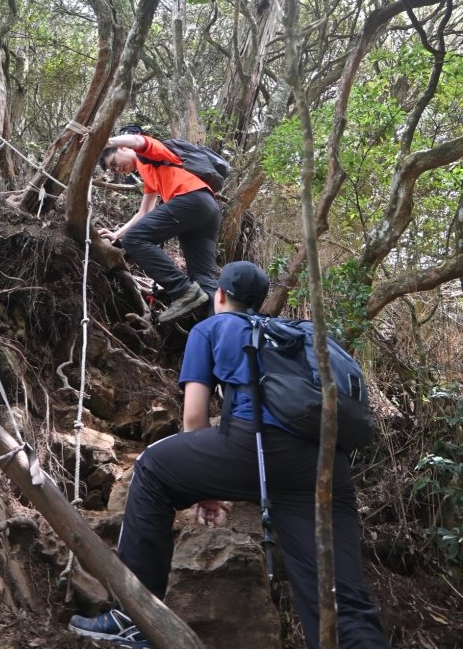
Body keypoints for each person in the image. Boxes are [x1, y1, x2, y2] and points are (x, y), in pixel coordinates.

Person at [68, 261, 391, 649]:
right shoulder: (294, 333)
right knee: (341, 599)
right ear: (260, 301)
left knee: (153, 468)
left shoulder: (211, 328)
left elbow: (193, 416)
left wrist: (206, 488)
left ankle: (133, 618)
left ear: (219, 295)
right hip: (326, 463)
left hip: (254, 446)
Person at [98, 131, 221, 322]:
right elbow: (144, 212)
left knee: (134, 239)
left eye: (114, 163)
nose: (117, 170)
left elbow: (138, 140)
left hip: (192, 199)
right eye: (112, 170)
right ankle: (217, 328)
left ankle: (184, 291)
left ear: (123, 148)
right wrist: (116, 234)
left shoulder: (148, 154)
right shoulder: (149, 172)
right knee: (204, 277)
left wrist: (107, 140)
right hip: (207, 208)